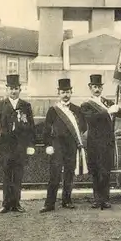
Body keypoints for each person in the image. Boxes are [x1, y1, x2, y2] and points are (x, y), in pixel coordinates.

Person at [0, 74, 36, 213]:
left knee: (18, 176)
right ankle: (6, 204)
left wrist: (30, 145)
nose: (13, 91)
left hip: (20, 147)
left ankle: (16, 204)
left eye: (16, 88)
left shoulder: (26, 106)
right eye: (11, 88)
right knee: (6, 176)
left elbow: (31, 127)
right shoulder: (1, 105)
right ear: (7, 89)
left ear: (20, 89)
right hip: (5, 147)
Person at [40, 78, 87, 213]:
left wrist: (75, 135)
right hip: (57, 145)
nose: (65, 94)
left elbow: (83, 126)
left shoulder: (77, 110)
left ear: (71, 92)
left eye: (67, 91)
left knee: (69, 173)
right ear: (58, 93)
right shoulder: (53, 110)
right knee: (54, 174)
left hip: (71, 145)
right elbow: (46, 129)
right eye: (63, 92)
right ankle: (49, 204)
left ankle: (67, 201)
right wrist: (48, 144)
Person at [80, 74, 121, 209]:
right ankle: (97, 199)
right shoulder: (86, 105)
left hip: (107, 142)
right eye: (95, 87)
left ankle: (105, 199)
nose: (97, 89)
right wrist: (108, 111)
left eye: (99, 87)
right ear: (90, 87)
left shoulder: (107, 102)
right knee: (95, 171)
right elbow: (91, 119)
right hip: (94, 142)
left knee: (106, 171)